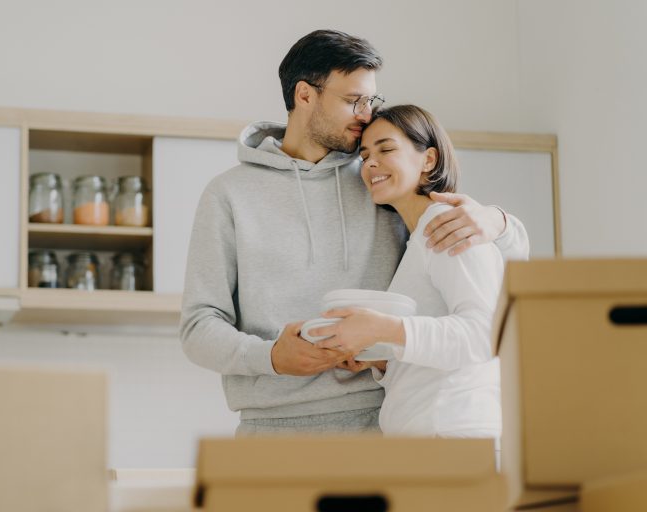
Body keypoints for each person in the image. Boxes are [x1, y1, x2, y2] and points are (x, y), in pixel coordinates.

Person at [179, 29, 528, 434]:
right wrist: (271, 356)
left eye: (370, 100)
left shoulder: (380, 180)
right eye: (352, 100)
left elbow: (499, 258)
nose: (365, 114)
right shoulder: (229, 194)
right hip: (269, 431)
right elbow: (198, 327)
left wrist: (498, 220)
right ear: (305, 96)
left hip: (380, 424)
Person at [312, 105, 504, 440]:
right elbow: (437, 351)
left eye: (386, 149)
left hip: (454, 436)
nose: (370, 163)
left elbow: (485, 334)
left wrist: (383, 327)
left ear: (428, 160)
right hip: (429, 438)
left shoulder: (445, 226)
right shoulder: (416, 240)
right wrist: (382, 357)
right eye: (365, 154)